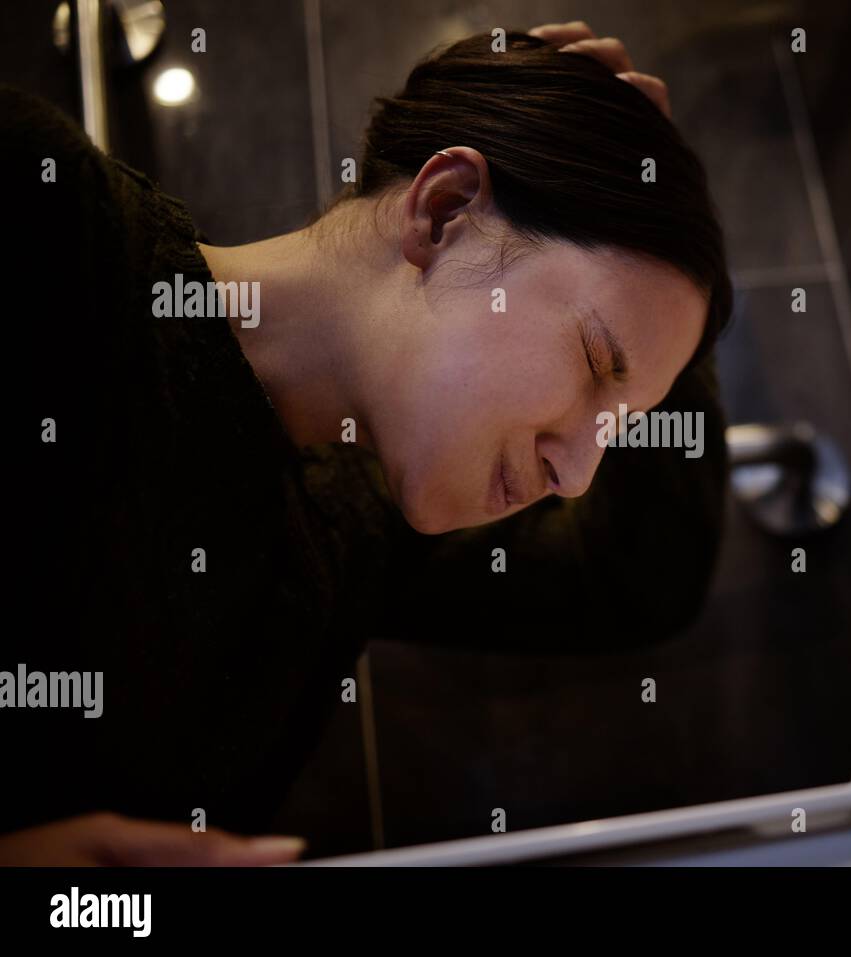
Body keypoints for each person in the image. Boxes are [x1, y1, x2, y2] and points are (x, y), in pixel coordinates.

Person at [1, 21, 732, 865]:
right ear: (445, 210)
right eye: (597, 364)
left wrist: (675, 265)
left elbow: (641, 578)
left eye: (624, 424)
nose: (575, 474)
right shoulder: (37, 215)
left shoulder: (354, 521)